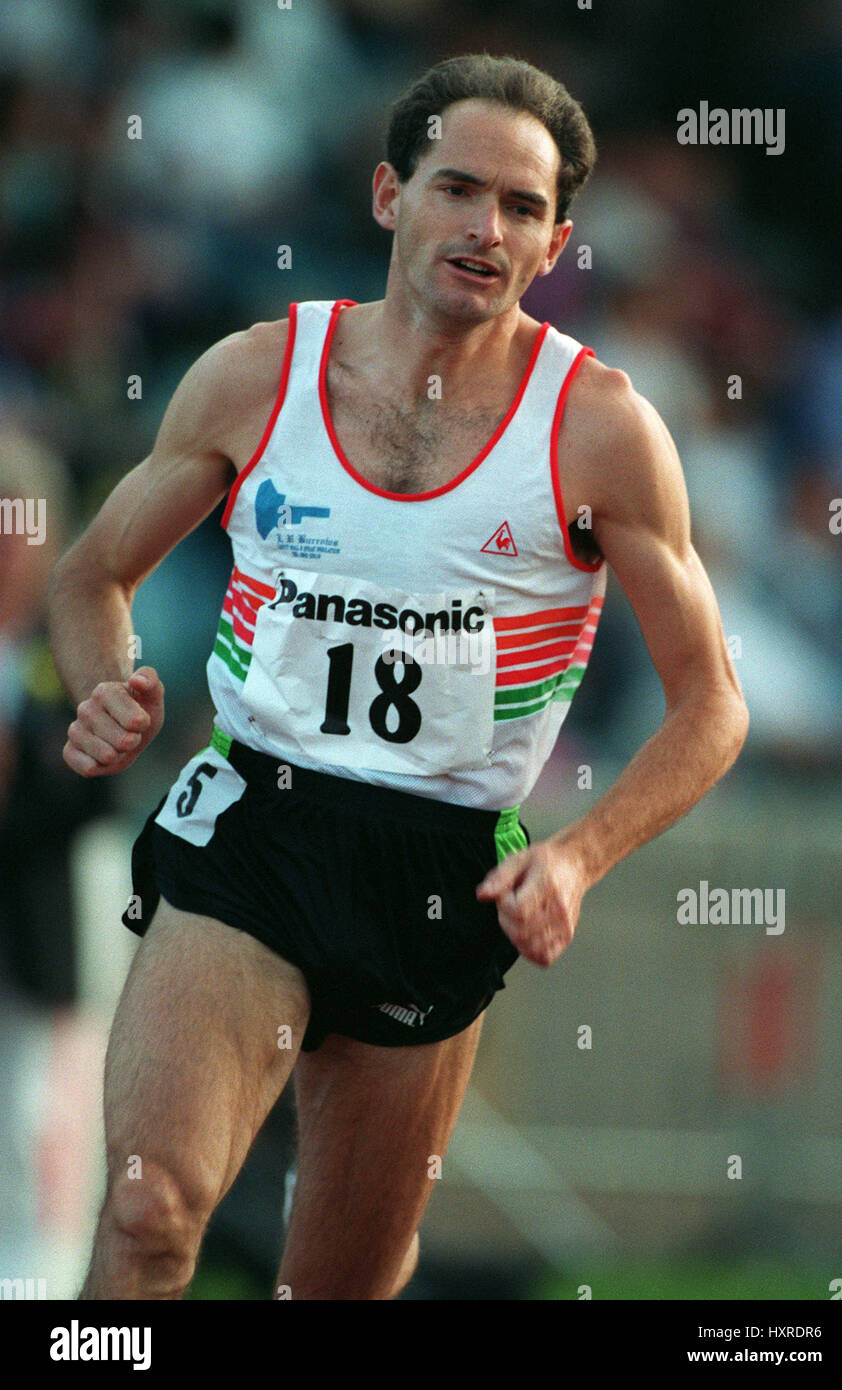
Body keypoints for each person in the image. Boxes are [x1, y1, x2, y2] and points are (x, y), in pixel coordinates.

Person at [48, 54, 748, 1300]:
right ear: (388, 195)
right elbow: (91, 575)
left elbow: (711, 704)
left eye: (521, 208)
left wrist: (577, 856)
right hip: (250, 826)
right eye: (457, 188)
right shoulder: (258, 374)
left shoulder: (598, 426)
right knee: (150, 1213)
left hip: (440, 866)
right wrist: (107, 682)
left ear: (555, 241)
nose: (485, 228)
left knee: (342, 1286)